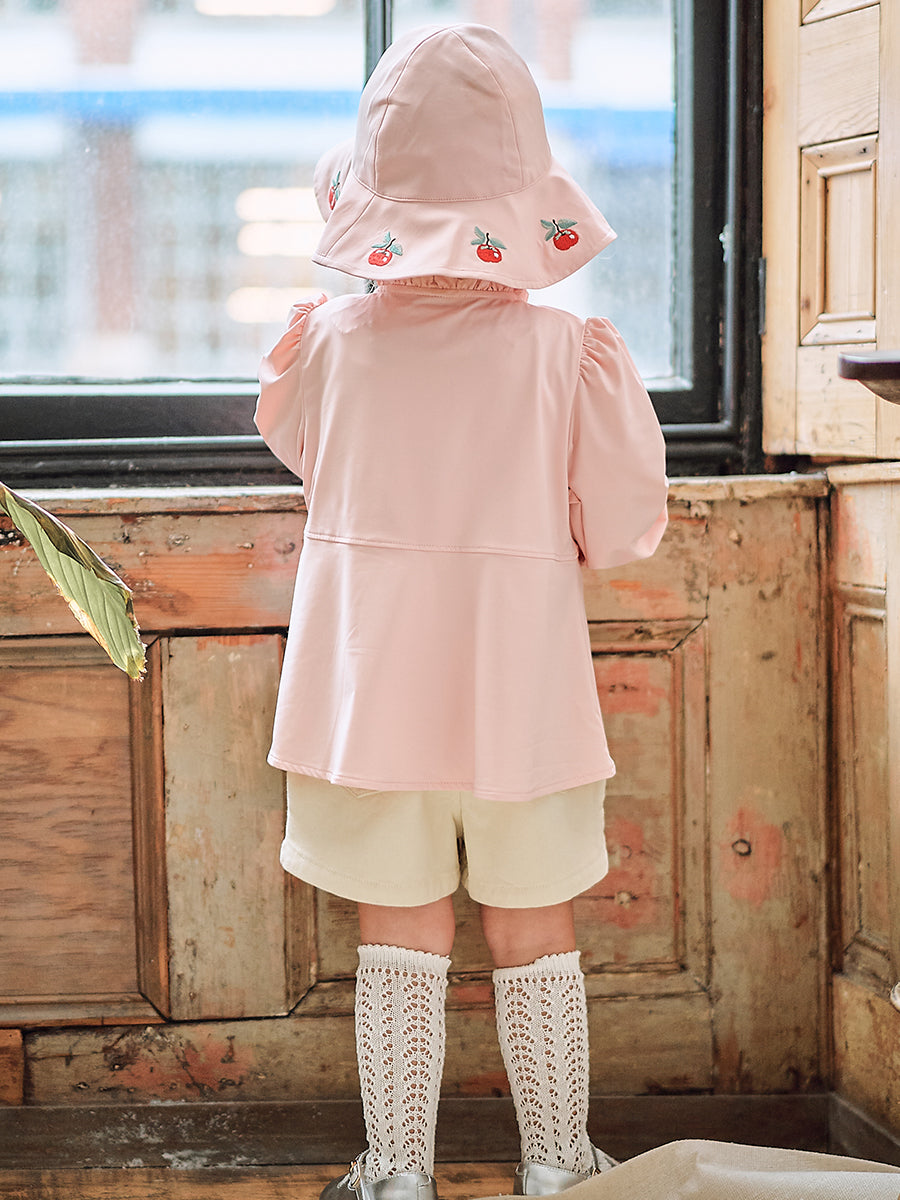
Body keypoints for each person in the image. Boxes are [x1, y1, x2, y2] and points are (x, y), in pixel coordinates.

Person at [255, 23, 668, 1200]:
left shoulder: (324, 347)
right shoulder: (567, 354)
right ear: (525, 204)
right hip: (520, 695)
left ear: (370, 203)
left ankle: (396, 1174)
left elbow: (308, 456)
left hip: (368, 694)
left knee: (399, 932)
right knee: (535, 932)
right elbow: (623, 523)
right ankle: (558, 1167)